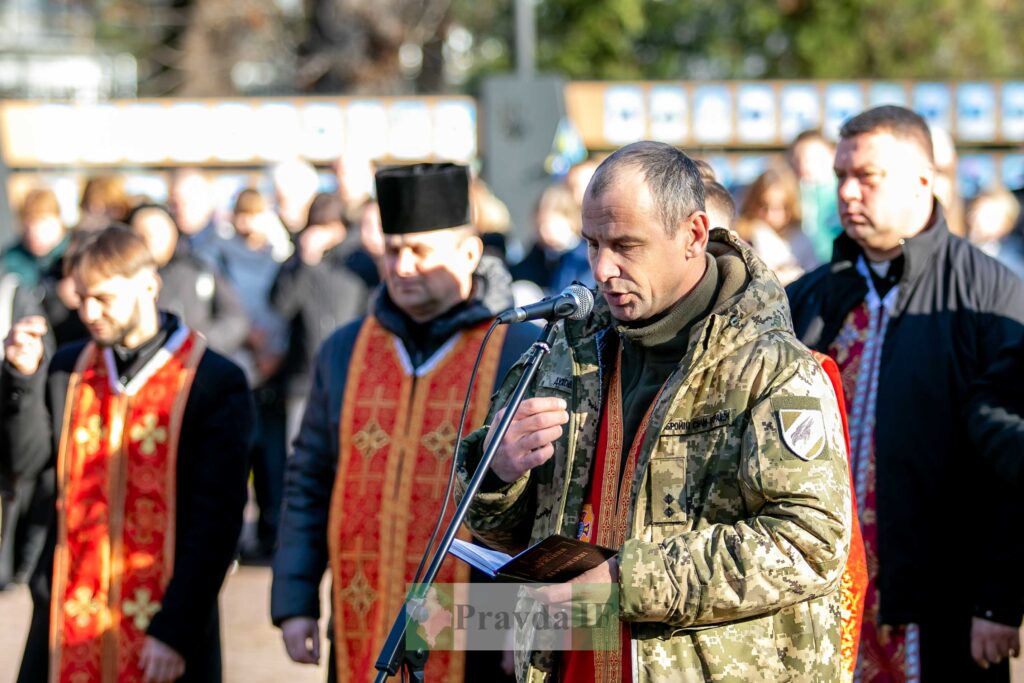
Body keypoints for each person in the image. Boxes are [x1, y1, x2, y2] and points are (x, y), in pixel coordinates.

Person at [458, 141, 852, 682]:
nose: (602, 267)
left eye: (625, 245)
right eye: (592, 244)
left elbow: (809, 543)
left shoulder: (773, 368)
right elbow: (505, 537)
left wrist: (626, 582)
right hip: (571, 662)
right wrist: (498, 474)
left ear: (693, 235)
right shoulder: (561, 357)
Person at [270, 163, 537, 682]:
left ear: (469, 253)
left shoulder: (519, 350)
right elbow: (309, 479)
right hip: (363, 604)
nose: (403, 266)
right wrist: (295, 597)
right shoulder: (345, 350)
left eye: (420, 251)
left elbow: (552, 507)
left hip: (473, 624)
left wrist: (529, 626)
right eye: (392, 251)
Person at [787, 105, 1024, 681]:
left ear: (924, 178)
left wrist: (997, 600)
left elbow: (1008, 465)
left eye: (866, 176)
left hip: (942, 604)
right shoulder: (808, 299)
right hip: (822, 600)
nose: (846, 193)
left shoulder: (988, 296)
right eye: (841, 175)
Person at [0, 226, 255, 682]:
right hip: (70, 607)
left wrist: (177, 630)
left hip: (167, 618)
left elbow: (216, 521)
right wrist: (22, 378)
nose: (89, 312)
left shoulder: (212, 379)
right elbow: (24, 466)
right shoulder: (68, 369)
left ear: (149, 286)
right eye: (81, 298)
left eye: (104, 298)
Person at [128, 203, 249, 356]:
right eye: (140, 236)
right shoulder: (124, 281)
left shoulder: (199, 268)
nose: (149, 242)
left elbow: (234, 316)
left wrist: (202, 342)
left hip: (197, 362)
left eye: (157, 234)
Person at [737, 163, 819, 285]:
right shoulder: (745, 237)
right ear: (753, 203)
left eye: (781, 207)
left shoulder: (802, 239)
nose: (771, 215)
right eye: (764, 206)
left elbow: (814, 276)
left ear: (791, 206)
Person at [787, 129, 842, 262]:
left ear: (832, 155)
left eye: (811, 159)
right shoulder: (790, 193)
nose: (804, 166)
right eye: (797, 160)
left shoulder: (844, 193)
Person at [967, 186, 1024, 279]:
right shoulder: (959, 249)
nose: (974, 219)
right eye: (974, 211)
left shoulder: (1012, 266)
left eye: (987, 216)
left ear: (1005, 224)